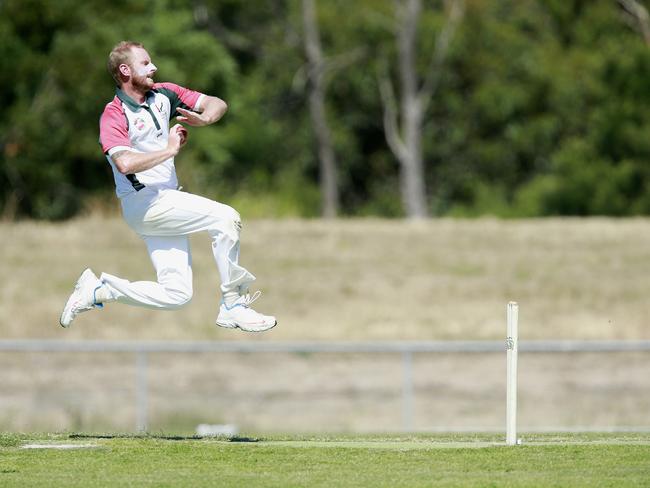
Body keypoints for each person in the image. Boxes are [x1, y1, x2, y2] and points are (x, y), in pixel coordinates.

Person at [59, 41, 276, 333]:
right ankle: (233, 304)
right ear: (125, 70)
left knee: (177, 295)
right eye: (145, 63)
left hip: (165, 202)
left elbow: (217, 102)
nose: (153, 68)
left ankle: (99, 290)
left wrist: (206, 117)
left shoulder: (164, 93)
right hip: (145, 205)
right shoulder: (114, 114)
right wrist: (170, 150)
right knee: (226, 218)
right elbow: (125, 163)